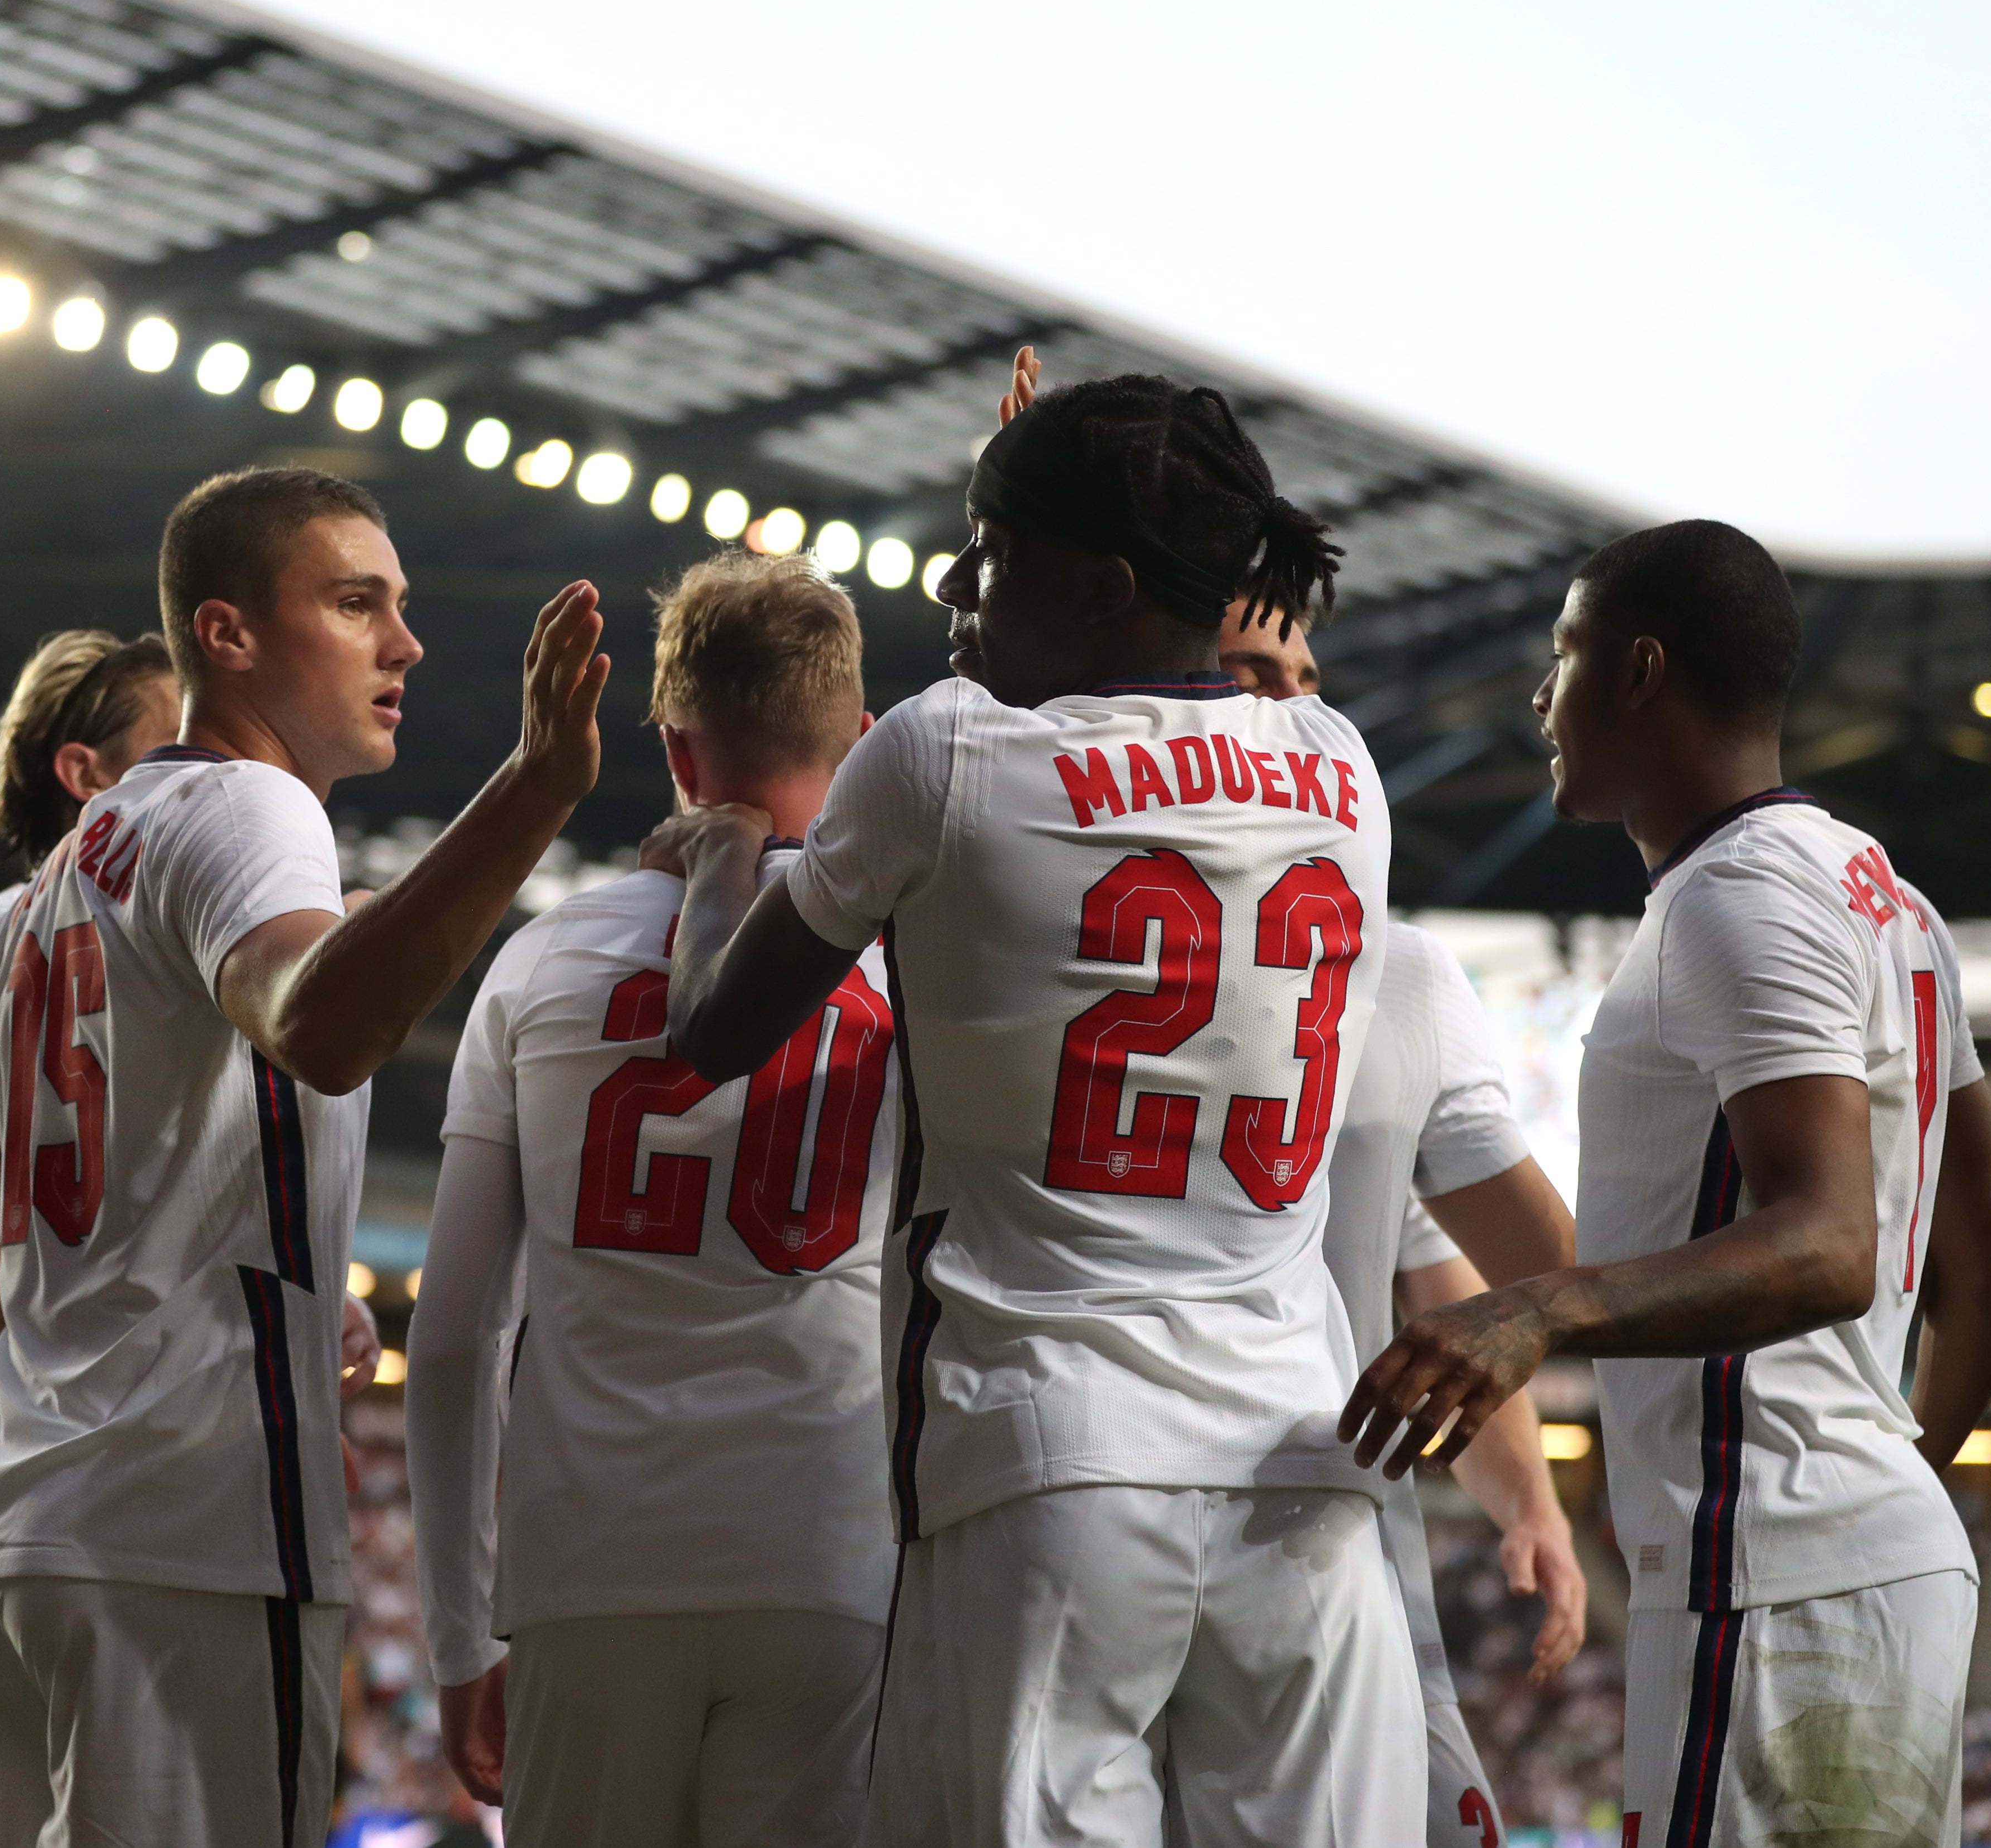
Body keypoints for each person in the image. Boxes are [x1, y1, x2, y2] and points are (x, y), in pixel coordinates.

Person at [655, 374, 1421, 1847]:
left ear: (1100, 583)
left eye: (987, 549)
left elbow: (713, 1027)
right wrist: (1048, 500)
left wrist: (720, 847)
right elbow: (1161, 719)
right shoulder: (1344, 771)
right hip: (1301, 1472)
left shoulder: (942, 753)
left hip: (1054, 1464)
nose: (955, 585)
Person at [0, 466, 610, 1848]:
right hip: (186, 1539)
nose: (404, 645)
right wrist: (534, 792)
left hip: (16, 1537)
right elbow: (325, 1025)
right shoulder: (251, 809)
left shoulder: (68, 866)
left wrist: (189, 1290)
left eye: (398, 608)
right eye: (356, 605)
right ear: (226, 636)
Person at [1340, 519, 1991, 1847]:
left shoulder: (1739, 899)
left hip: (1771, 1576)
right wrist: (1901, 1480)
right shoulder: (1887, 899)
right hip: (1852, 1561)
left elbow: (1833, 1244)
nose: (1543, 696)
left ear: (1643, 670)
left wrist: (1538, 1309)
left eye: (1566, 653)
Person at [407, 552, 901, 1848]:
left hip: (594, 1567)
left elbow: (454, 1336)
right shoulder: (920, 968)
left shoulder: (539, 961)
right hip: (833, 1557)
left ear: (678, 753)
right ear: (860, 738)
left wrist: (460, 1637)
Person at [1223, 601, 1587, 1848]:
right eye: (1251, 673)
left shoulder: (1404, 975)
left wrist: (1531, 1503)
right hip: (1256, 1521)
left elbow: (1444, 1284)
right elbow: (1567, 1273)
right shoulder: (1395, 970)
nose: (1299, 710)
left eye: (1309, 678)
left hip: (1313, 1522)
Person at [0, 628, 179, 1848]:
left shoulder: (154, 970)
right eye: (171, 754)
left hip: (109, 1534)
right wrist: (182, 1364)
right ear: (84, 776)